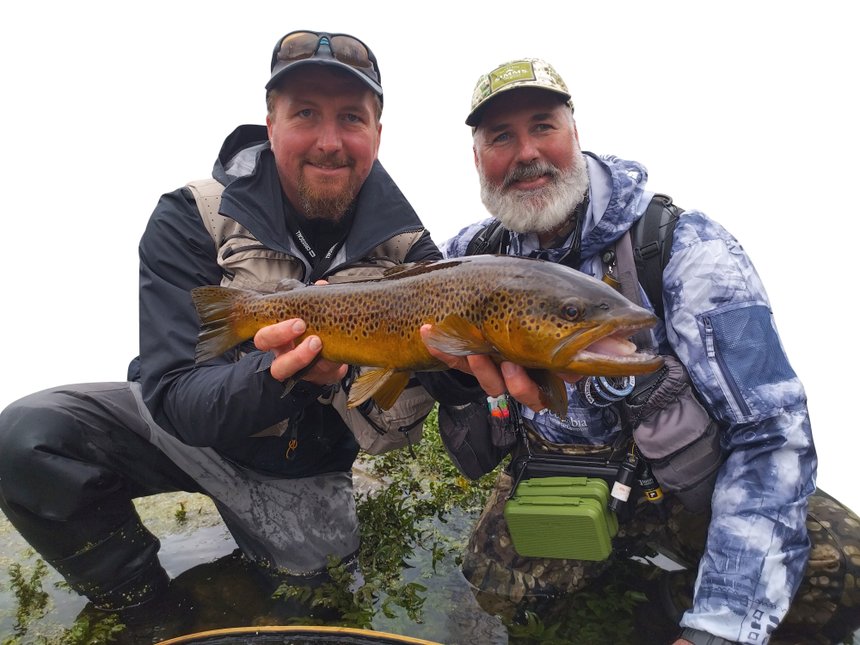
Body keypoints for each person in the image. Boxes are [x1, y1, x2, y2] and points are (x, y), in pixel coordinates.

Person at [0, 29, 440, 625]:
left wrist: (466, 374)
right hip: (181, 433)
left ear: (378, 134)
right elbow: (176, 393)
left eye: (351, 118)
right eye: (305, 113)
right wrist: (278, 375)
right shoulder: (192, 214)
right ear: (271, 123)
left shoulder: (414, 253)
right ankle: (148, 612)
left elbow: (436, 387)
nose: (329, 141)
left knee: (316, 610)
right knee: (32, 436)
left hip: (303, 470)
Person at [418, 58, 860, 644]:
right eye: (500, 136)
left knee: (842, 571)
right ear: (477, 158)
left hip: (682, 491)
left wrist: (721, 626)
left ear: (575, 132)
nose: (526, 153)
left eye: (543, 126)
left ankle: (682, 604)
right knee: (497, 585)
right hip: (556, 478)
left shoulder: (688, 248)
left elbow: (771, 433)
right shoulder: (466, 255)